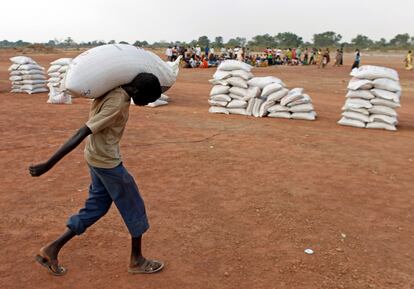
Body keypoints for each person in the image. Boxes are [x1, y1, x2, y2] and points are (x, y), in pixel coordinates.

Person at [29, 73, 165, 276]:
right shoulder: (117, 104)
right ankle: (137, 260)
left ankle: (52, 248)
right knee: (134, 207)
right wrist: (48, 164)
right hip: (107, 163)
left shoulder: (115, 90)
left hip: (94, 157)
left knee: (97, 206)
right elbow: (81, 132)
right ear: (136, 90)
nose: (146, 104)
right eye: (147, 99)